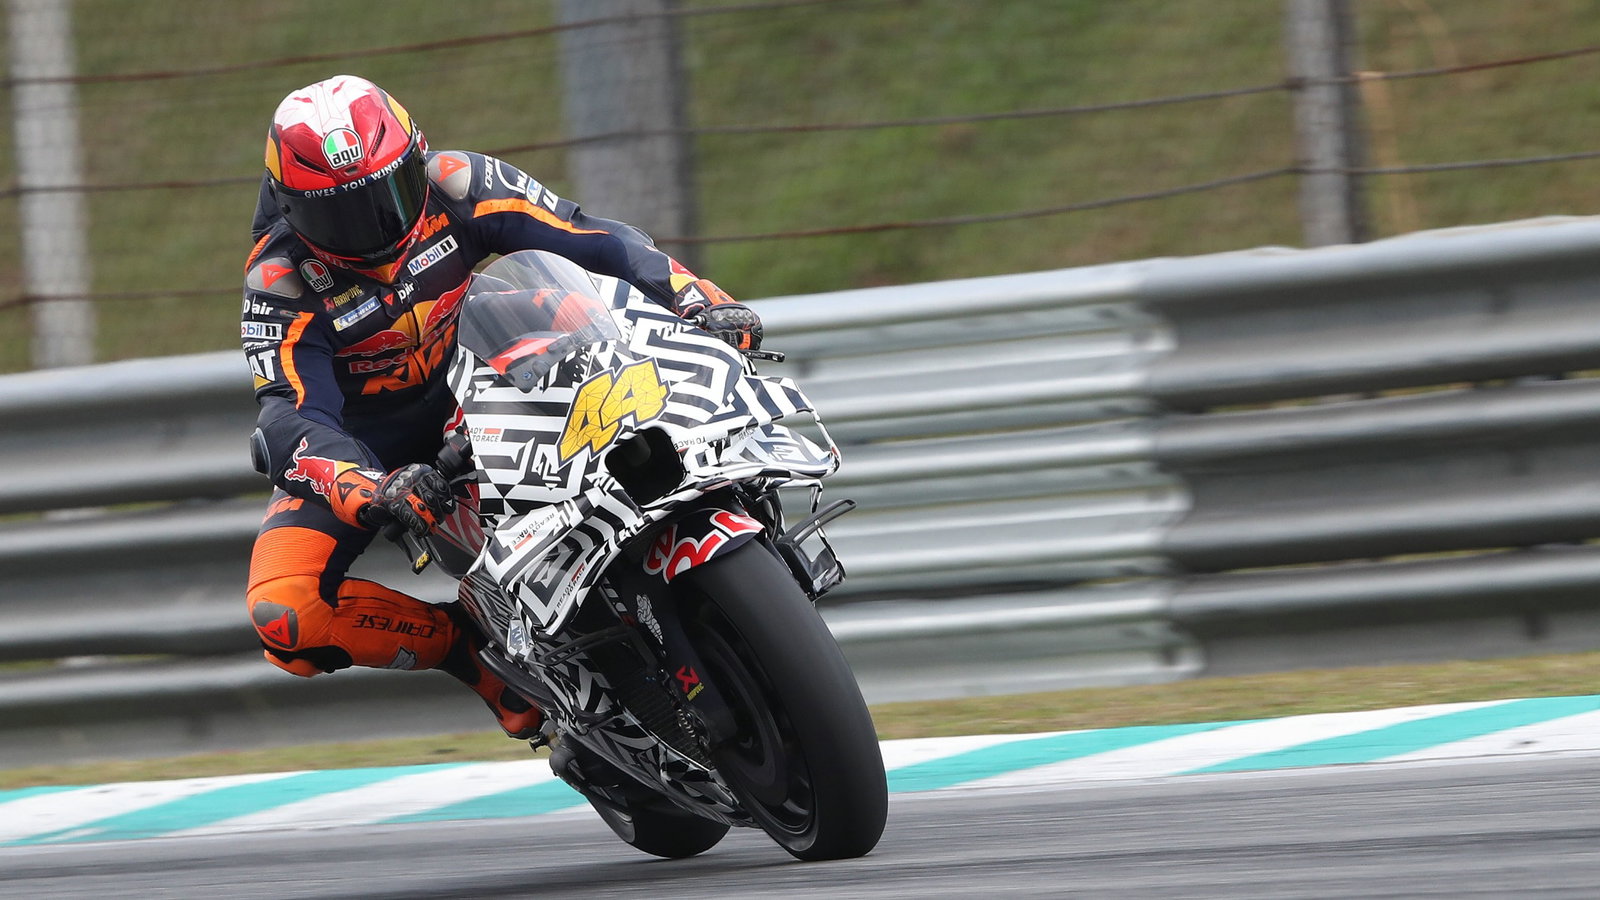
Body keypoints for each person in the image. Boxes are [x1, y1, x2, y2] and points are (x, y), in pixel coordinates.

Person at [239, 74, 762, 740]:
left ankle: (723, 474)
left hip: (494, 371)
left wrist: (700, 302)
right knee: (285, 613)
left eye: (387, 196)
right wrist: (367, 487)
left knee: (592, 307)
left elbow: (593, 238)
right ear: (290, 208)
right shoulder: (280, 279)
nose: (370, 229)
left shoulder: (457, 181)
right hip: (377, 453)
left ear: (416, 163)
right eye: (335, 213)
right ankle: (469, 648)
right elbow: (289, 416)